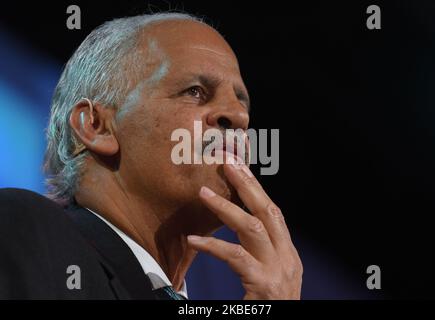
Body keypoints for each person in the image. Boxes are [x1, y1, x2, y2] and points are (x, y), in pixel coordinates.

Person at [0, 12, 302, 299]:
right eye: (195, 91)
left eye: (242, 103)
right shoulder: (26, 232)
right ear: (96, 126)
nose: (238, 117)